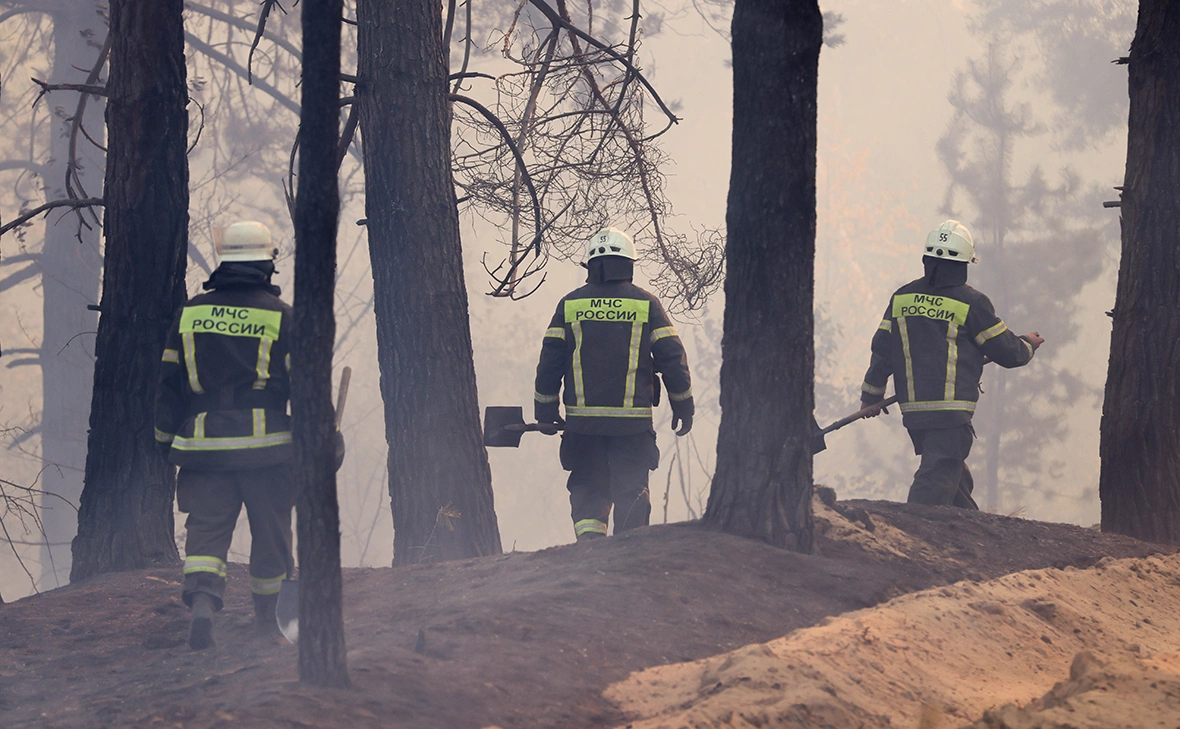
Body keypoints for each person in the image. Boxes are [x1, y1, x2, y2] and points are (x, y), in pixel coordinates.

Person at [155, 221, 296, 650]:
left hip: (204, 449)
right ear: (267, 263)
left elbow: (169, 384)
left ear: (224, 261)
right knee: (271, 532)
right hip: (267, 453)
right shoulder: (282, 317)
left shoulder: (190, 313)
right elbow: (305, 387)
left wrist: (164, 440)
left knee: (206, 532)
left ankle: (202, 603)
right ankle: (270, 623)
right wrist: (324, 440)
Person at [859, 220, 1044, 509]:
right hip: (950, 413)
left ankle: (973, 534)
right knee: (936, 479)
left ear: (926, 260)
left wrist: (871, 395)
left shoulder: (902, 298)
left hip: (915, 413)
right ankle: (912, 531)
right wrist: (1028, 344)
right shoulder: (972, 303)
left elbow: (883, 351)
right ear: (965, 263)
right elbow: (1008, 353)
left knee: (952, 475)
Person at [534, 227, 694, 540]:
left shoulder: (570, 305)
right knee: (631, 492)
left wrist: (545, 411)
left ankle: (590, 552)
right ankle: (627, 560)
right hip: (631, 429)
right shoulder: (646, 304)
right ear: (629, 264)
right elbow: (672, 357)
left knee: (589, 491)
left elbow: (550, 363)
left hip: (583, 427)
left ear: (591, 265)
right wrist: (683, 404)